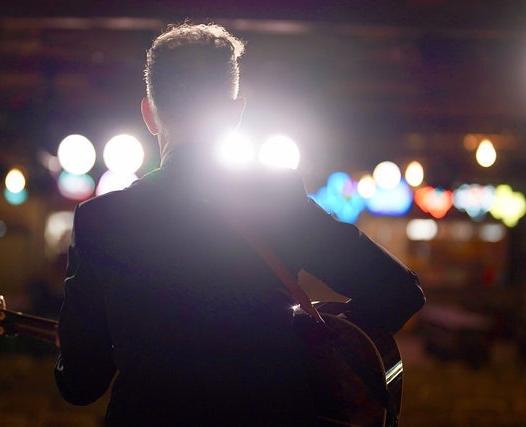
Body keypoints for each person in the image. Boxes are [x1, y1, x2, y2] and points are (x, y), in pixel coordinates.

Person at [54, 22, 425, 426]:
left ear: (149, 114)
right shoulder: (275, 196)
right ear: (235, 114)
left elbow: (79, 385)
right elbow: (399, 292)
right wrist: (312, 340)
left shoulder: (101, 221)